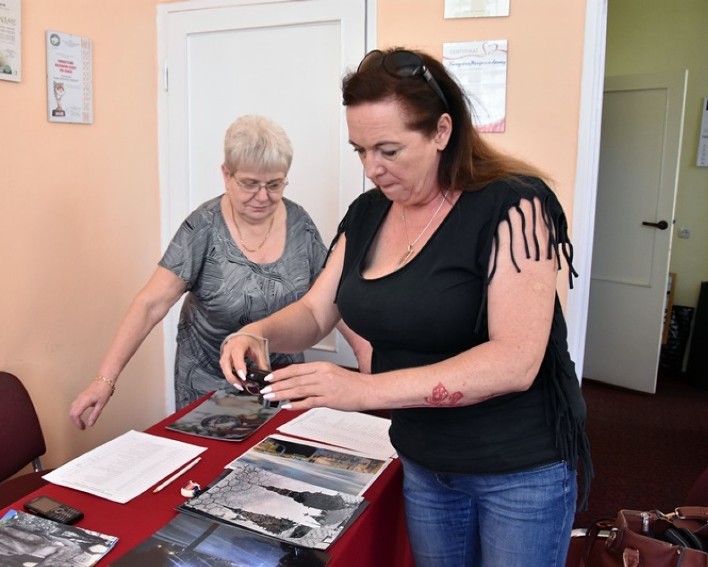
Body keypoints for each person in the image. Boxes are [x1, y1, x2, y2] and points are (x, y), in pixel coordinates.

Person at [220, 48, 592, 566]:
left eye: (389, 150)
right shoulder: (369, 213)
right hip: (423, 459)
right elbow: (315, 312)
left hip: (517, 468)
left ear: (441, 132)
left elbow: (516, 361)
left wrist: (362, 389)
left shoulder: (512, 206)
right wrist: (256, 332)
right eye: (361, 151)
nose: (373, 168)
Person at [70, 115, 329, 428]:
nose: (263, 196)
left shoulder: (300, 223)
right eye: (249, 184)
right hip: (209, 393)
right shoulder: (203, 228)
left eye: (274, 184)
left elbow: (333, 299)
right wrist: (104, 380)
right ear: (226, 174)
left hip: (282, 386)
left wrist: (370, 377)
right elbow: (150, 304)